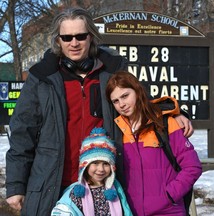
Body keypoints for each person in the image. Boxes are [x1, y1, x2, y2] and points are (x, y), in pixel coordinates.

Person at [5, 7, 193, 215]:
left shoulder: (112, 70)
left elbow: (140, 100)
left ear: (91, 37)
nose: (74, 43)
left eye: (80, 36)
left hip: (102, 185)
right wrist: (16, 185)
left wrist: (175, 113)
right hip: (52, 183)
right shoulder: (41, 77)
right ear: (58, 41)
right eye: (67, 37)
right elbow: (22, 131)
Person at [106, 71, 202, 216]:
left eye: (125, 96)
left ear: (137, 91)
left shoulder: (167, 124)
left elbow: (192, 167)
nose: (122, 104)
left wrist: (169, 195)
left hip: (169, 211)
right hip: (130, 211)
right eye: (116, 101)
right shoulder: (117, 132)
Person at [51, 127, 132, 216]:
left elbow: (126, 210)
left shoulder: (115, 187)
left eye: (106, 164)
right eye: (95, 163)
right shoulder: (76, 193)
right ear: (85, 165)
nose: (101, 169)